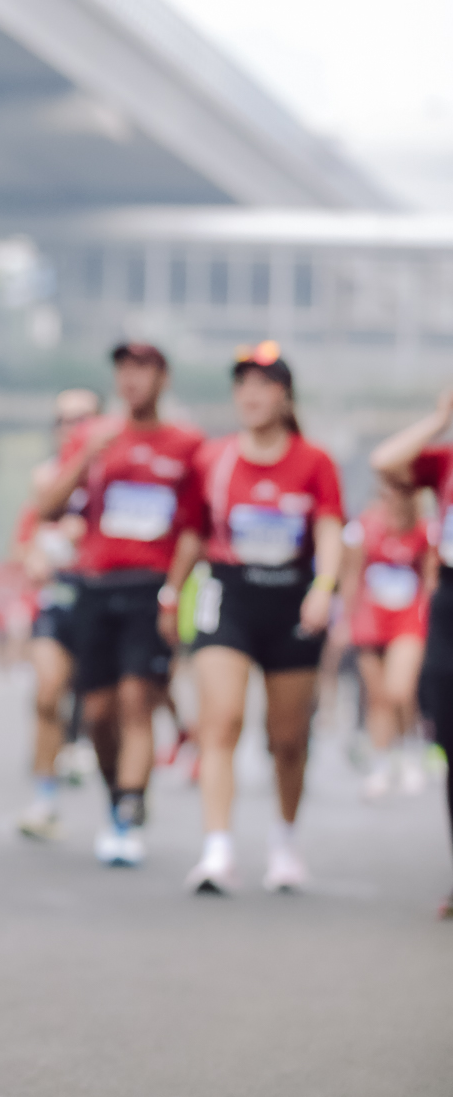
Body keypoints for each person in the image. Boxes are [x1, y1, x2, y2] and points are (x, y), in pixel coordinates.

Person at [35, 344, 203, 866]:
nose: (132, 380)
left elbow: (195, 528)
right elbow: (47, 507)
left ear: (163, 378)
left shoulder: (187, 445)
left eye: (143, 369)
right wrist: (86, 455)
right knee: (97, 712)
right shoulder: (94, 437)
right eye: (123, 370)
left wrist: (174, 590)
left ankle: (128, 812)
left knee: (136, 701)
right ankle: (118, 796)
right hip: (95, 587)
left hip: (150, 587)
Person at [186, 346, 343, 894]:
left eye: (264, 384)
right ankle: (217, 850)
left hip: (292, 601)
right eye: (243, 384)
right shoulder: (214, 458)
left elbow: (329, 530)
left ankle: (285, 844)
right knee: (222, 720)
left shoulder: (315, 461)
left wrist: (324, 587)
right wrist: (170, 593)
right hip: (229, 595)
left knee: (288, 738)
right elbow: (191, 533)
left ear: (285, 395)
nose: (251, 395)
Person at [370, 390, 453, 916]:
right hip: (449, 601)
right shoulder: (445, 462)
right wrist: (440, 420)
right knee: (446, 730)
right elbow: (385, 461)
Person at [16, 386, 101, 840]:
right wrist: (34, 556)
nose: (73, 428)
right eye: (65, 420)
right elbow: (26, 539)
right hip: (57, 598)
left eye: (83, 419)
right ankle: (44, 802)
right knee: (48, 695)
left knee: (105, 711)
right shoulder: (44, 478)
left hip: (105, 600)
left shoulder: (116, 474)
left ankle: (124, 799)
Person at [340, 479, 431, 800]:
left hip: (408, 618)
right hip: (370, 619)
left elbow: (430, 579)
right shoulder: (362, 528)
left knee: (399, 690)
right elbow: (351, 575)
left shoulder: (423, 530)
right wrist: (344, 620)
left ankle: (408, 752)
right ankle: (381, 762)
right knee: (378, 696)